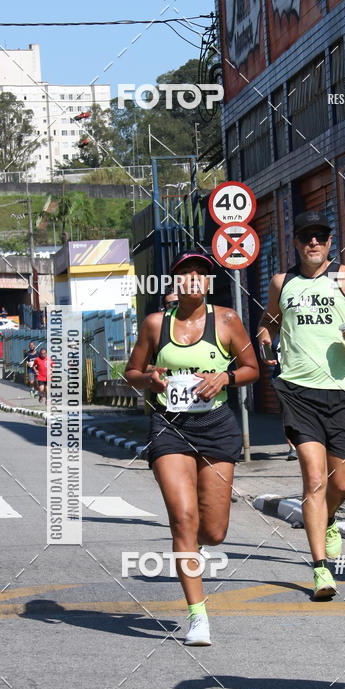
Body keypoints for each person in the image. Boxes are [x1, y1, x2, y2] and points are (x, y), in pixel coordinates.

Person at [125, 250, 259, 646]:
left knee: (214, 531)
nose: (193, 280)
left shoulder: (228, 320)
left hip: (216, 427)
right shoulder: (155, 325)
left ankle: (195, 551)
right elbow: (131, 373)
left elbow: (252, 368)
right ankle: (197, 615)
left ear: (208, 283)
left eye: (201, 274)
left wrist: (225, 377)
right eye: (185, 274)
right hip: (169, 427)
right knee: (183, 518)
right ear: (174, 283)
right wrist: (150, 378)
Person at [257, 210, 345, 599]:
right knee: (314, 478)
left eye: (320, 237)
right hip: (296, 390)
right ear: (296, 242)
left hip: (340, 391)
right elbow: (268, 322)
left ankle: (331, 518)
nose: (313, 243)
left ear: (329, 242)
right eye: (306, 237)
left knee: (340, 483)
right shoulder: (282, 282)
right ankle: (321, 569)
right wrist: (266, 340)